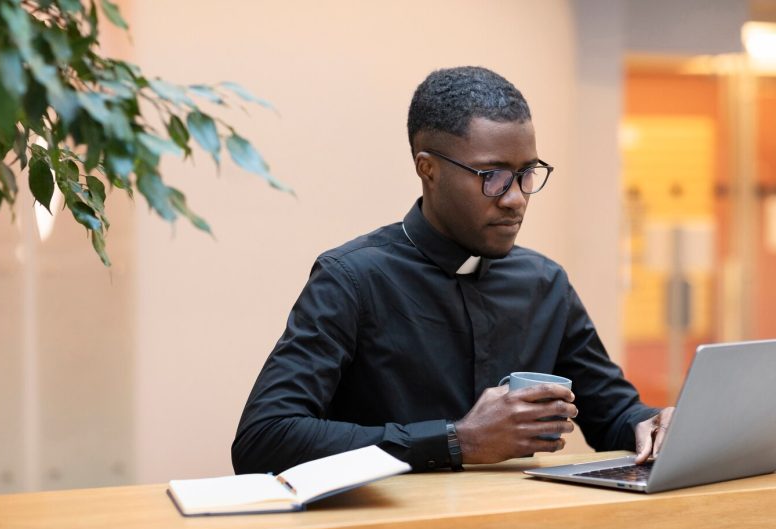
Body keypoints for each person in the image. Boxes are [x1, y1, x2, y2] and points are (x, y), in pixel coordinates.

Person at [232, 66, 674, 475]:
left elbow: (613, 414)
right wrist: (454, 441)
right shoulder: (352, 279)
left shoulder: (544, 283)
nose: (516, 198)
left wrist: (653, 424)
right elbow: (264, 438)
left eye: (527, 173)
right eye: (493, 176)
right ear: (428, 169)